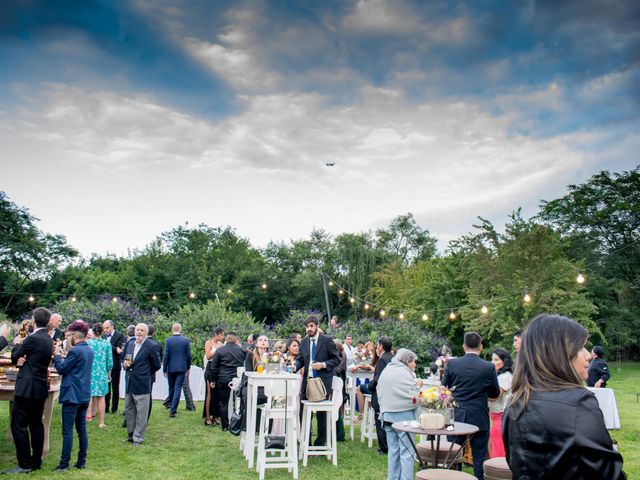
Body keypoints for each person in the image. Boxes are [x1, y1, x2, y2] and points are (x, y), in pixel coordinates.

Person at [503, 314, 625, 479]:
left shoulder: (515, 402)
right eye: (581, 347)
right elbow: (608, 473)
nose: (588, 355)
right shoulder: (578, 402)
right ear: (560, 354)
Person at [442, 332, 500, 480]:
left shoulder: (452, 363)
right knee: (479, 456)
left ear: (464, 346)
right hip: (479, 415)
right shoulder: (488, 367)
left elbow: (444, 389)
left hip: (458, 415)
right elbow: (494, 393)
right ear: (480, 347)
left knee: (455, 453)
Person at [4, 307, 54, 474]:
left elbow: (13, 357)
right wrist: (23, 360)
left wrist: (17, 342)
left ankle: (24, 464)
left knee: (18, 425)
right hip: (40, 386)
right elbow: (31, 358)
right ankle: (36, 461)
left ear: (34, 320)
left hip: (26, 387)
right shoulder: (49, 339)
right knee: (36, 425)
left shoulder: (32, 338)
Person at [52, 320, 94, 471]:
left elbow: (62, 369)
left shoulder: (76, 351)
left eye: (70, 335)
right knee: (81, 430)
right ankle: (81, 461)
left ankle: (64, 464)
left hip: (72, 395)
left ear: (75, 336)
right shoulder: (89, 349)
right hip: (84, 394)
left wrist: (56, 356)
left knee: (67, 431)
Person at [295, 315, 340, 446]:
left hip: (322, 383)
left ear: (317, 326)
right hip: (307, 382)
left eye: (311, 326)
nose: (309, 329)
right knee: (303, 413)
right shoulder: (303, 342)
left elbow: (336, 359)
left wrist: (323, 365)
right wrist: (295, 366)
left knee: (322, 416)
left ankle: (320, 444)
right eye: (307, 327)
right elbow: (300, 359)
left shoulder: (327, 340)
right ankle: (306, 443)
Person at [377, 348, 420, 480]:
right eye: (414, 362)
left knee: (393, 451)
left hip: (387, 415)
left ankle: (393, 477)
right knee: (407, 452)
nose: (415, 365)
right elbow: (413, 397)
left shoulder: (388, 369)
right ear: (408, 361)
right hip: (403, 417)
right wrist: (418, 387)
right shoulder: (405, 373)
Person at [122, 323, 161, 445]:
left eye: (142, 330)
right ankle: (131, 433)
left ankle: (138, 437)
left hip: (142, 382)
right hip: (130, 381)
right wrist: (125, 364)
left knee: (141, 412)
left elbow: (157, 364)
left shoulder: (151, 346)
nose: (139, 332)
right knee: (129, 409)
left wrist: (145, 373)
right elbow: (125, 358)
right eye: (137, 330)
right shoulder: (130, 343)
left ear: (146, 333)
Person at [207, 333, 247, 431]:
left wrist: (212, 380)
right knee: (239, 402)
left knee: (223, 402)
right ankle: (238, 424)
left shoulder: (220, 350)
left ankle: (225, 425)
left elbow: (214, 367)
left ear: (226, 340)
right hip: (237, 379)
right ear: (235, 340)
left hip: (223, 378)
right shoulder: (242, 350)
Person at [368, 336, 393, 455]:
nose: (376, 346)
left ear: (381, 346)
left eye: (378, 344)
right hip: (389, 394)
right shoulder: (392, 358)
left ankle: (383, 447)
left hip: (380, 394)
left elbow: (379, 378)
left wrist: (370, 385)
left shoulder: (382, 359)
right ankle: (388, 445)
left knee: (380, 421)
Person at [86, 323, 113, 428]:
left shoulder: (88, 343)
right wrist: (108, 374)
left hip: (89, 372)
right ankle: (101, 422)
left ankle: (88, 415)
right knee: (101, 397)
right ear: (102, 332)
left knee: (89, 395)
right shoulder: (106, 344)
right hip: (102, 373)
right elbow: (110, 362)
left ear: (92, 331)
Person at [163, 323, 192, 418]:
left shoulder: (168, 340)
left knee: (171, 388)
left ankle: (171, 405)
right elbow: (189, 355)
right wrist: (187, 366)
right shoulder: (186, 340)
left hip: (171, 367)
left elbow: (166, 355)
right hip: (181, 367)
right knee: (178, 388)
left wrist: (164, 368)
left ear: (172, 329)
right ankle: (173, 410)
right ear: (180, 329)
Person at [488, 348, 513, 458]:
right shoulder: (499, 376)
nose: (492, 362)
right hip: (495, 417)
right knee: (491, 446)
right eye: (492, 359)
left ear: (504, 361)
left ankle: (498, 473)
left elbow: (494, 396)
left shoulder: (505, 377)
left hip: (500, 418)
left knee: (498, 451)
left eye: (496, 359)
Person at [102, 320, 125, 414]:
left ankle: (114, 408)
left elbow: (119, 350)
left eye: (107, 328)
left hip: (115, 364)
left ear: (112, 326)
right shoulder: (103, 336)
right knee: (106, 387)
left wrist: (109, 346)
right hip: (106, 365)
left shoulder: (119, 335)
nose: (105, 330)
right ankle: (106, 407)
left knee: (115, 387)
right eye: (104, 328)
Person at [203, 326, 225, 426]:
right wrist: (217, 350)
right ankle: (207, 417)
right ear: (216, 334)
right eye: (221, 334)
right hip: (210, 368)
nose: (223, 337)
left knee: (217, 394)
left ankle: (216, 416)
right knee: (209, 394)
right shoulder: (209, 343)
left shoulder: (221, 344)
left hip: (218, 369)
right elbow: (208, 356)